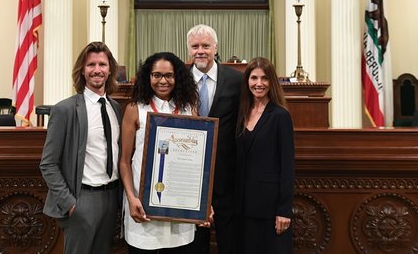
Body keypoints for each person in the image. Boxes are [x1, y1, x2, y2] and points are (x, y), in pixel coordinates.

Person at [40, 41, 122, 254]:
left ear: (110, 68)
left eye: (102, 64)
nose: (97, 70)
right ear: (82, 71)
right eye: (91, 65)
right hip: (82, 198)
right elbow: (48, 163)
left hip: (111, 196)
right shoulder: (65, 110)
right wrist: (70, 203)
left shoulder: (115, 108)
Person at [119, 52, 202, 253]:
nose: (162, 81)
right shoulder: (135, 109)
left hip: (180, 207)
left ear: (177, 78)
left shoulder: (188, 108)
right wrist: (131, 198)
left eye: (169, 75)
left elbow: (198, 161)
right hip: (143, 204)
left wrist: (201, 200)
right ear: (148, 77)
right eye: (156, 75)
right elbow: (124, 161)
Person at [186, 24, 242, 254]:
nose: (201, 51)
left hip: (227, 178)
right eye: (195, 46)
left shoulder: (237, 80)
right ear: (188, 49)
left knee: (230, 244)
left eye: (206, 46)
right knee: (195, 245)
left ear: (215, 48)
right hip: (188, 177)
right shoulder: (177, 80)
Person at [234, 57, 295, 254]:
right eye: (253, 78)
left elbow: (287, 166)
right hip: (242, 208)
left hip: (270, 210)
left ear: (272, 82)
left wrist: (283, 210)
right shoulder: (241, 113)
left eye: (264, 78)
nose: (259, 83)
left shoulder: (280, 116)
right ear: (247, 81)